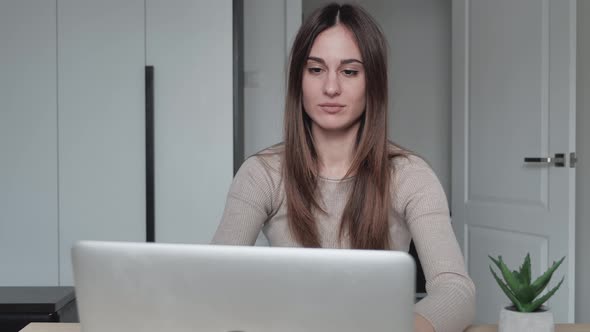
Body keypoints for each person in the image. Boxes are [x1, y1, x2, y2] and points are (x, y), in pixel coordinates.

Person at [212, 3, 475, 332]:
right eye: (316, 70)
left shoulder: (411, 175)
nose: (331, 87)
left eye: (349, 71)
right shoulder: (262, 174)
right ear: (299, 80)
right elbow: (216, 281)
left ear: (373, 83)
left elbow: (456, 290)